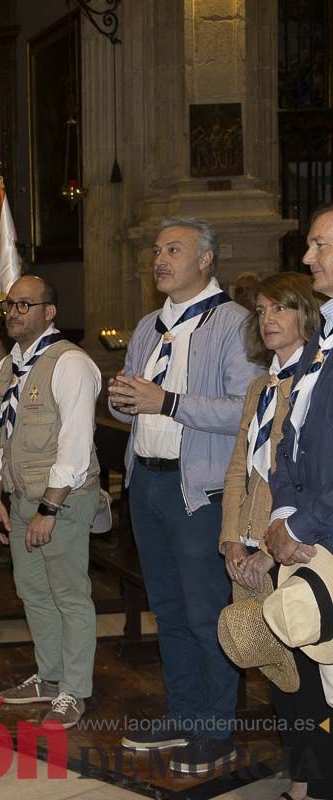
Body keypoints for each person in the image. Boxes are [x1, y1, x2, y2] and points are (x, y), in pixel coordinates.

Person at [108, 217, 262, 774]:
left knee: (204, 614)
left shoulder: (235, 324)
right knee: (167, 611)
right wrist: (121, 399)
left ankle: (216, 730)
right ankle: (184, 713)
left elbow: (243, 410)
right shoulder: (149, 325)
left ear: (205, 259)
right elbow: (135, 396)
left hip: (199, 490)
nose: (159, 259)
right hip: (146, 481)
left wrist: (166, 401)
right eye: (156, 250)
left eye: (173, 249)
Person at [218, 272, 324, 800]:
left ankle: (311, 783)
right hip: (251, 544)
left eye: (280, 308)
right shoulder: (261, 386)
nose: (269, 320)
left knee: (308, 674)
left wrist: (264, 548)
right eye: (261, 311)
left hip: (290, 545)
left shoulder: (314, 378)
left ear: (306, 313)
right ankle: (299, 778)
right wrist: (231, 541)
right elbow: (240, 467)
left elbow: (303, 474)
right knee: (278, 673)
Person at [0, 276, 102, 730]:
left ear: (49, 312)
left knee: (69, 594)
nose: (13, 312)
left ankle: (74, 690)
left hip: (63, 502)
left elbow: (73, 445)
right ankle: (50, 677)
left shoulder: (69, 363)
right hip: (18, 498)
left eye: (25, 304)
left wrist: (49, 510)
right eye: (9, 305)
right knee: (33, 590)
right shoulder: (9, 366)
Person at [264, 205, 333, 800]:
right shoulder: (325, 340)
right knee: (317, 673)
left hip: (328, 529)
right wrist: (284, 513)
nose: (307, 257)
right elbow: (290, 437)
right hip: (307, 528)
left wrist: (307, 521)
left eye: (319, 246)